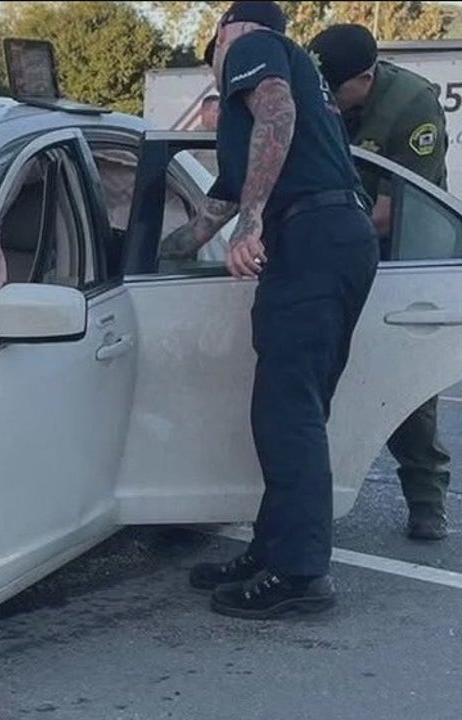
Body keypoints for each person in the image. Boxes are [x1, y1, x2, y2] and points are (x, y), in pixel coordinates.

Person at [159, 1, 380, 619]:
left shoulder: (255, 47)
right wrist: (152, 254)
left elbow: (275, 112)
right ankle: (272, 550)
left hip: (310, 240)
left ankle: (301, 574)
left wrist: (254, 220)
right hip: (334, 239)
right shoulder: (272, 126)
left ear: (226, 32)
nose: (217, 71)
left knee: (288, 415)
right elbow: (212, 213)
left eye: (213, 56)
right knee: (290, 411)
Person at [308, 23, 453, 541]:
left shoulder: (412, 107)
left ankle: (426, 497)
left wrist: (315, 227)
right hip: (337, 239)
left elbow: (393, 213)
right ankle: (305, 492)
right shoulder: (322, 90)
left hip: (400, 249)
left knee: (405, 382)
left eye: (337, 89)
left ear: (365, 79)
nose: (328, 98)